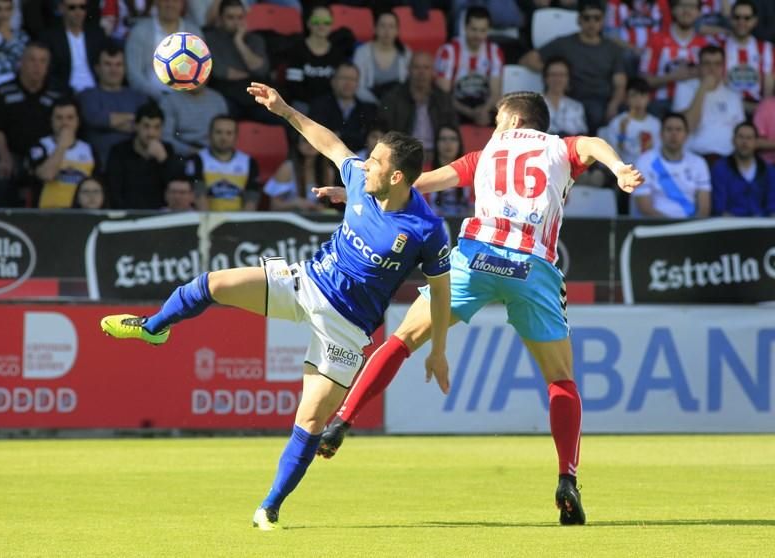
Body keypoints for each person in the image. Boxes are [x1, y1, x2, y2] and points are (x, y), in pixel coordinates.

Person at [99, 81, 453, 531]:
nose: (365, 167)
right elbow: (328, 141)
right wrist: (284, 109)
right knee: (213, 283)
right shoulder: (362, 181)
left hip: (346, 330)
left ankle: (269, 508)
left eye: (376, 163)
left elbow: (440, 292)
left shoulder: (426, 229)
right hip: (307, 281)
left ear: (397, 177)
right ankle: (154, 327)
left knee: (309, 421)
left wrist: (437, 349)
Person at [313, 90, 645, 526]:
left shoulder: (483, 154)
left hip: (475, 258)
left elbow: (417, 181)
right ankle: (567, 478)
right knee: (561, 380)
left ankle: (342, 419)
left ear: (510, 119)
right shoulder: (560, 148)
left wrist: (355, 190)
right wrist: (619, 167)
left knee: (402, 340)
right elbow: (591, 145)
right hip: (532, 266)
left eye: (497, 118)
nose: (494, 126)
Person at [520, 0, 626, 133]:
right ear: (579, 20)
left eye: (597, 18)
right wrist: (555, 75)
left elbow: (620, 83)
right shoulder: (564, 44)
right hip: (573, 98)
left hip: (603, 100)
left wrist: (614, 104)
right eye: (587, 18)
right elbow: (527, 59)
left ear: (603, 21)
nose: (592, 23)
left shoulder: (612, 49)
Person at [0, 42, 64, 207]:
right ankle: (10, 222)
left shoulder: (57, 94)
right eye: (32, 60)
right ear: (21, 62)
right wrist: (5, 157)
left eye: (43, 61)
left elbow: (65, 125)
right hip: (14, 155)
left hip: (47, 155)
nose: (37, 66)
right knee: (0, 173)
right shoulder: (2, 92)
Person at [77, 44, 148, 171]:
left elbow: (145, 126)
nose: (113, 70)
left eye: (118, 64)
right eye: (108, 64)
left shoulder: (139, 97)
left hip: (133, 167)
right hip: (97, 166)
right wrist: (132, 117)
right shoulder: (87, 95)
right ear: (97, 68)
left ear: (125, 68)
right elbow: (95, 119)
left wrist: (109, 122)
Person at [379, 51, 459, 163]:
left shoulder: (443, 99)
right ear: (409, 70)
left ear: (433, 71)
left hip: (438, 158)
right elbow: (386, 132)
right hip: (403, 158)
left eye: (426, 68)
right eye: (416, 67)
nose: (421, 72)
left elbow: (452, 131)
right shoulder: (393, 98)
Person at [204, 0, 272, 123]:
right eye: (230, 17)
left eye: (240, 17)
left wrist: (239, 42)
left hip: (254, 97)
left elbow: (261, 70)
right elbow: (221, 72)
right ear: (220, 19)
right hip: (225, 95)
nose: (236, 22)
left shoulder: (255, 39)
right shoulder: (210, 38)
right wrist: (250, 73)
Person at [638, 0, 711, 115]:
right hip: (660, 103)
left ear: (699, 12)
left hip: (692, 104)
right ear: (673, 10)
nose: (687, 11)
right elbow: (643, 81)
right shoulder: (655, 40)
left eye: (692, 7)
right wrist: (672, 77)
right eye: (682, 5)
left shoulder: (704, 45)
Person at [632, 112, 710, 218]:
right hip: (655, 227)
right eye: (669, 129)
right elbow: (644, 207)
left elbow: (704, 208)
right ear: (661, 135)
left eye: (678, 130)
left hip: (690, 227)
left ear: (686, 135)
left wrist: (691, 228)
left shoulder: (699, 163)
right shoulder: (644, 161)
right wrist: (672, 228)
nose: (674, 134)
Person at [105, 101, 182, 209]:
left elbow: (177, 188)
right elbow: (113, 190)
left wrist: (164, 160)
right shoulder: (119, 151)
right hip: (128, 215)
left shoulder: (167, 150)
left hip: (160, 216)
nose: (151, 133)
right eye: (146, 126)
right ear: (136, 126)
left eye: (157, 127)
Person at [672, 45, 745, 158]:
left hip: (728, 159)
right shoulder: (684, 88)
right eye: (707, 63)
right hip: (695, 156)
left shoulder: (733, 95)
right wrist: (703, 88)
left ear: (723, 67)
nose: (712, 68)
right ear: (699, 66)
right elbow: (689, 127)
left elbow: (741, 134)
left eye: (717, 64)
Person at [435, 6, 503, 126]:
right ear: (465, 28)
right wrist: (471, 113)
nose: (477, 35)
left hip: (484, 108)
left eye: (482, 31)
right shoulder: (449, 51)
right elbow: (443, 94)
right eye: (474, 29)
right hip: (456, 107)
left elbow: (495, 93)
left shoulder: (494, 51)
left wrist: (483, 111)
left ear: (488, 30)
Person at [27, 97, 97, 208]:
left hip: (81, 214)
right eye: (59, 118)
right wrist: (62, 146)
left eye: (70, 118)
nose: (65, 123)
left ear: (78, 121)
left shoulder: (89, 149)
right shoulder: (40, 146)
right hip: (47, 213)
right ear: (51, 120)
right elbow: (47, 175)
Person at [124, 0, 201, 101]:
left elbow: (201, 72)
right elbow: (134, 75)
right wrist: (161, 96)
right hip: (147, 99)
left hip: (186, 99)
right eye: (165, 1)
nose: (170, 4)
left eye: (176, 1)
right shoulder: (139, 31)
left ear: (182, 4)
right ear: (156, 2)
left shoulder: (194, 33)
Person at [185, 114, 261, 211]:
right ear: (209, 134)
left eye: (229, 133)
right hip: (206, 219)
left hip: (238, 221)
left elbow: (252, 199)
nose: (223, 137)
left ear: (236, 136)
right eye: (218, 132)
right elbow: (198, 195)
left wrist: (242, 223)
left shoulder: (249, 162)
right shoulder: (197, 159)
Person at [283, 3, 348, 112]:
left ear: (332, 24)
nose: (321, 25)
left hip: (329, 106)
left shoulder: (338, 53)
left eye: (326, 22)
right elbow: (294, 86)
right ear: (308, 23)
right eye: (316, 21)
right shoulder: (297, 50)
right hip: (303, 105)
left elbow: (340, 87)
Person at [40, 0, 107, 93]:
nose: (78, 12)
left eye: (82, 7)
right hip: (64, 93)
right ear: (61, 8)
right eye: (72, 7)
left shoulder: (97, 35)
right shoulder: (50, 37)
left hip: (96, 91)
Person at [710, 121, 775, 216]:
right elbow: (719, 207)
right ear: (733, 140)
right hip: (730, 225)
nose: (744, 142)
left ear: (756, 142)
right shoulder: (720, 168)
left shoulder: (768, 170)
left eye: (749, 138)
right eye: (741, 137)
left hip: (761, 224)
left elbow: (772, 205)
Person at [722, 0, 774, 112]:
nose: (741, 22)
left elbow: (768, 92)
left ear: (755, 21)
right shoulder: (720, 47)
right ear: (730, 19)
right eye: (737, 17)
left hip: (757, 111)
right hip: (726, 109)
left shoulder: (767, 49)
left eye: (747, 18)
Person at [352, 10, 411, 104]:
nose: (387, 31)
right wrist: (378, 104)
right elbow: (357, 86)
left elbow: (410, 84)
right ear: (375, 29)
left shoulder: (406, 53)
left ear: (397, 31)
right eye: (383, 26)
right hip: (369, 104)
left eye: (391, 26)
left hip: (398, 105)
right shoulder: (362, 52)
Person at [604, 78, 661, 165]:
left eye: (642, 95)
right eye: (633, 95)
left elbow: (659, 153)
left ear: (649, 98)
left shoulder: (656, 124)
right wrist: (622, 133)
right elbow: (612, 156)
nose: (638, 100)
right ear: (626, 99)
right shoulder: (616, 122)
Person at [160, 84, 229, 156]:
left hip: (213, 154)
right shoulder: (170, 100)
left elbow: (227, 132)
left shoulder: (218, 100)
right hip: (181, 155)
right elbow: (166, 137)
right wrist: (190, 151)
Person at [264, 135, 326, 212]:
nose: (310, 144)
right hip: (289, 219)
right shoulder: (287, 168)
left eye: (315, 141)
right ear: (297, 144)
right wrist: (295, 203)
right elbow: (274, 206)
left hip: (316, 220)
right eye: (305, 141)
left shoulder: (328, 172)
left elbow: (326, 204)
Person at [425, 125, 473, 217]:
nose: (448, 143)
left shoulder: (471, 172)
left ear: (459, 144)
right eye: (443, 139)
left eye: (453, 139)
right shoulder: (425, 172)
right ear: (436, 143)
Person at [542, 57, 587, 137]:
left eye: (562, 75)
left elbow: (582, 134)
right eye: (553, 75)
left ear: (568, 78)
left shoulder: (576, 106)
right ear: (545, 78)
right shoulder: (535, 104)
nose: (557, 79)